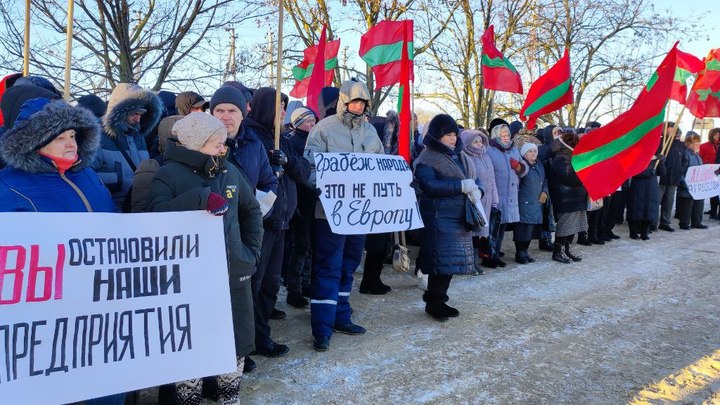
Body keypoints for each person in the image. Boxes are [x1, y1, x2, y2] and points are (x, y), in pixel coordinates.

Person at [0, 93, 121, 405]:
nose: (71, 143)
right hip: (48, 324)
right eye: (60, 137)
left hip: (100, 311)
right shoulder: (8, 185)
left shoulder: (88, 175)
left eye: (73, 135)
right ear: (34, 141)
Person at [146, 112, 263, 405]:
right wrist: (199, 199)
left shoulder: (229, 171)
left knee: (235, 341)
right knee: (192, 346)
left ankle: (229, 397)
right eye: (216, 144)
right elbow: (154, 219)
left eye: (224, 143)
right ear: (196, 144)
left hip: (233, 274)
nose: (223, 149)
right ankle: (189, 399)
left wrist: (249, 252)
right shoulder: (167, 174)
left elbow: (251, 212)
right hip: (189, 282)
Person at [304, 79, 384, 352]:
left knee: (349, 265)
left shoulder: (371, 132)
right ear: (343, 101)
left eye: (363, 102)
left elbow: (381, 167)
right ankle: (322, 329)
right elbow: (310, 168)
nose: (358, 106)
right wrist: (328, 188)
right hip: (329, 213)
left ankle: (341, 316)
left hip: (360, 212)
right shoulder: (323, 129)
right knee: (328, 267)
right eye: (354, 101)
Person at [245, 87, 310, 359]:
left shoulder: (281, 139)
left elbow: (304, 172)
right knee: (253, 285)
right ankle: (245, 345)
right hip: (262, 223)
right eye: (280, 108)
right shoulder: (251, 138)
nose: (284, 113)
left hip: (282, 221)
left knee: (271, 284)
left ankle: (262, 336)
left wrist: (287, 160)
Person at [413, 114, 480, 321]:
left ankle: (439, 299)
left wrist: (479, 191)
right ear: (436, 136)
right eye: (447, 135)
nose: (452, 139)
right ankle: (433, 302)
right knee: (440, 263)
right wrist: (461, 186)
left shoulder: (460, 156)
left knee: (449, 263)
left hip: (458, 216)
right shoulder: (427, 158)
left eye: (454, 134)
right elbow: (430, 185)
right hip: (438, 215)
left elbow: (474, 181)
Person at [92, 83, 162, 211]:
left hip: (138, 207)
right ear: (120, 110)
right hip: (111, 210)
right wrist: (118, 179)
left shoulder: (138, 136)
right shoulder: (96, 134)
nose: (138, 119)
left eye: (141, 114)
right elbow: (88, 177)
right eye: (134, 113)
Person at [285, 106, 318, 307]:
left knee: (309, 245)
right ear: (298, 124)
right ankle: (293, 289)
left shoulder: (313, 141)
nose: (312, 125)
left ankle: (305, 282)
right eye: (308, 122)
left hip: (311, 200)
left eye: (313, 121)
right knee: (300, 246)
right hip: (300, 201)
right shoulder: (294, 143)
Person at [486, 120, 527, 267]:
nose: (506, 137)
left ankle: (496, 255)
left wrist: (519, 167)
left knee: (501, 229)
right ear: (496, 135)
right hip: (496, 196)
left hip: (510, 196)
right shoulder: (489, 150)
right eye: (503, 134)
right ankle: (489, 256)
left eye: (508, 134)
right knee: (493, 229)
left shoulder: (514, 149)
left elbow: (524, 170)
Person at [459, 129, 497, 273]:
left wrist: (495, 198)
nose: (479, 144)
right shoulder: (464, 157)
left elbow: (492, 180)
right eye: (475, 141)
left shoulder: (485, 156)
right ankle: (469, 263)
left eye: (481, 141)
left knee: (479, 233)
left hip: (485, 200)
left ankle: (474, 262)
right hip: (472, 201)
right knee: (470, 233)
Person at [547, 129, 587, 263]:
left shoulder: (571, 157)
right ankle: (558, 252)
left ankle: (568, 250)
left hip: (575, 198)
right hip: (566, 199)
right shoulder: (560, 158)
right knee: (564, 227)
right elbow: (569, 178)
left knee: (574, 226)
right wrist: (584, 171)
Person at [514, 142, 547, 264]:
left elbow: (545, 180)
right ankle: (519, 252)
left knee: (531, 229)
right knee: (523, 229)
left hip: (537, 203)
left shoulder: (539, 165)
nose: (533, 154)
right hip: (524, 202)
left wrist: (545, 191)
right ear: (524, 154)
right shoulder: (522, 166)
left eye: (534, 151)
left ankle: (525, 251)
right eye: (530, 151)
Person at [626, 154, 666, 240]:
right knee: (635, 210)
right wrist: (649, 171)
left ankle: (645, 232)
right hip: (638, 187)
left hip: (651, 188)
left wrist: (661, 162)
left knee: (649, 210)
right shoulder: (637, 157)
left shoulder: (655, 159)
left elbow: (662, 172)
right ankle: (633, 232)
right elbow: (635, 172)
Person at [656, 123, 687, 232]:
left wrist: (680, 172)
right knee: (656, 201)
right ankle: (652, 222)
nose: (674, 130)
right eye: (671, 128)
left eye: (675, 128)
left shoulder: (680, 144)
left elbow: (684, 160)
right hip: (661, 177)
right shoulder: (660, 142)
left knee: (668, 203)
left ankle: (665, 222)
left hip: (674, 178)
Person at [677, 133, 708, 230]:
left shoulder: (697, 155)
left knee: (699, 203)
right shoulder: (686, 154)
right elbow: (681, 170)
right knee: (687, 205)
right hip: (688, 185)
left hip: (697, 186)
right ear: (689, 144)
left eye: (699, 143)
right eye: (695, 143)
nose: (698, 145)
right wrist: (683, 183)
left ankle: (696, 222)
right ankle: (684, 223)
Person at [699, 127, 720, 219]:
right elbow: (700, 158)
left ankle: (715, 212)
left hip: (718, 171)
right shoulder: (704, 146)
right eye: (716, 134)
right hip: (707, 171)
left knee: (716, 192)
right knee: (711, 192)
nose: (717, 136)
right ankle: (713, 210)